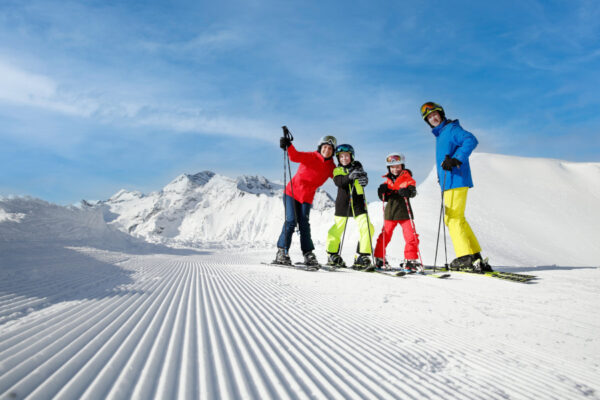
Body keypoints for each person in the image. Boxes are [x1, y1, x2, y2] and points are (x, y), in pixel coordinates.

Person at [420, 101, 492, 272]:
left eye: (435, 114)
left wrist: (457, 159)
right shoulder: (441, 135)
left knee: (452, 219)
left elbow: (470, 139)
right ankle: (474, 256)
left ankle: (464, 257)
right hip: (450, 181)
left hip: (456, 180)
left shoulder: (451, 129)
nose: (433, 118)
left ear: (441, 114)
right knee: (458, 219)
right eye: (429, 117)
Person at [275, 134, 337, 266]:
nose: (327, 150)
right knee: (291, 221)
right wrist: (288, 145)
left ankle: (308, 254)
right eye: (325, 147)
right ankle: (282, 252)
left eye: (330, 149)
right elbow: (294, 156)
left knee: (304, 224)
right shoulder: (311, 156)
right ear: (320, 147)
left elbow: (339, 179)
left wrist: (353, 173)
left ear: (333, 152)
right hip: (291, 193)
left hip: (307, 198)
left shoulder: (331, 166)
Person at [325, 144, 375, 269]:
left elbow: (363, 177)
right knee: (337, 228)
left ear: (351, 156)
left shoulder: (358, 167)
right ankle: (332, 254)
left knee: (367, 227)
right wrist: (349, 177)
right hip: (343, 203)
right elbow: (339, 182)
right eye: (341, 157)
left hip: (358, 202)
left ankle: (362, 256)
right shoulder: (337, 170)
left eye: (346, 156)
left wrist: (364, 180)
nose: (344, 159)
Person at [373, 153, 421, 272]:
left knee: (411, 236)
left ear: (402, 167)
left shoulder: (408, 179)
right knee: (385, 235)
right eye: (392, 167)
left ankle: (410, 260)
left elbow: (413, 191)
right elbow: (383, 197)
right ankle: (379, 258)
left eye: (398, 167)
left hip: (405, 212)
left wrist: (408, 192)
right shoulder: (387, 182)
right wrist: (382, 192)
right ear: (389, 168)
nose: (395, 169)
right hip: (391, 212)